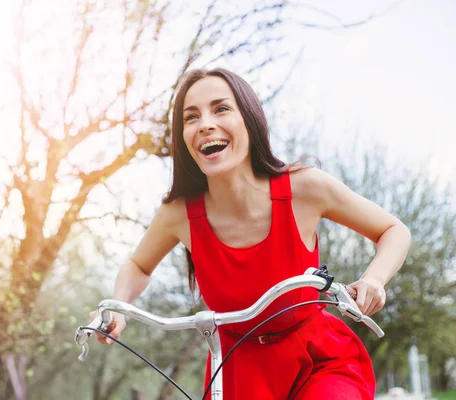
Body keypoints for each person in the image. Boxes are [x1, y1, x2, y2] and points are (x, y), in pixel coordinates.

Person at [90, 68, 411, 399]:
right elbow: (138, 266)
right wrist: (116, 306)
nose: (205, 124)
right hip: (237, 371)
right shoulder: (179, 214)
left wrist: (374, 279)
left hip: (320, 360)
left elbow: (393, 230)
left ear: (250, 119)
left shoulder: (304, 188)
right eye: (191, 117)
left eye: (221, 109)